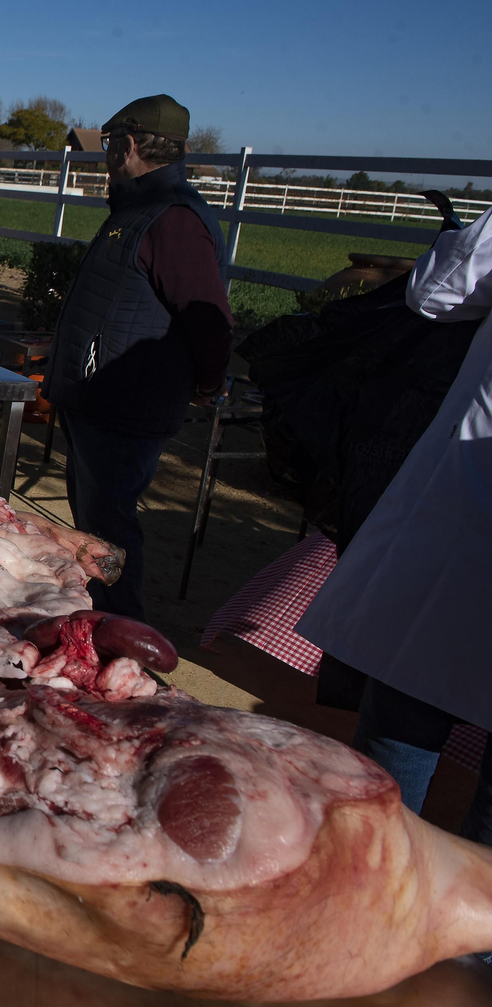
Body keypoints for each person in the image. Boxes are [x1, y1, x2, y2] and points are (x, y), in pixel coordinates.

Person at [297, 205, 492, 846]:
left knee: (408, 705)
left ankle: (371, 878)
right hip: (465, 513)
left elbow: (433, 292)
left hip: (465, 517)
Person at [39, 94, 233, 621]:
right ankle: (96, 627)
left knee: (109, 530)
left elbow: (208, 317)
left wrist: (208, 383)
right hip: (99, 399)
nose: (103, 154)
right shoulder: (139, 209)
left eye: (108, 144)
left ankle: (120, 636)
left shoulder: (173, 220)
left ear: (126, 144)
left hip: (124, 407)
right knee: (92, 527)